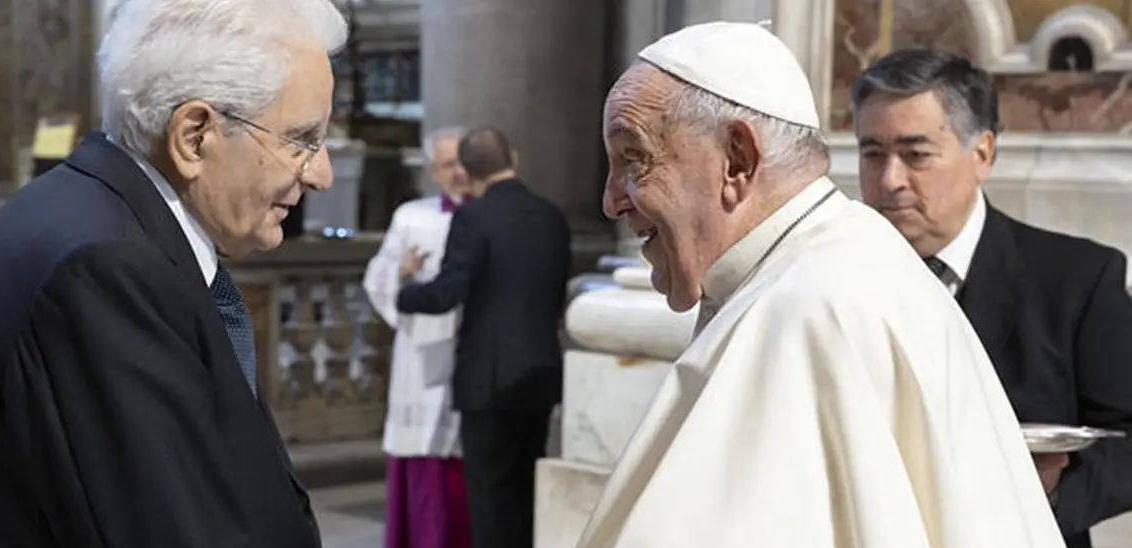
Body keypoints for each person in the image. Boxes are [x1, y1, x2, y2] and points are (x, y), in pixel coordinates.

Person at [577, 22, 1065, 548]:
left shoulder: (809, 309)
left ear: (738, 159)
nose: (611, 201)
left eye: (634, 159)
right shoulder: (839, 263)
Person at [0, 0, 346, 546]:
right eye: (301, 140)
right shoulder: (105, 271)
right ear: (194, 136)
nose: (322, 174)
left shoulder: (88, 219)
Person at [852, 48, 1132, 548]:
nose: (890, 180)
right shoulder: (827, 281)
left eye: (915, 155)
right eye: (872, 154)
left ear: (982, 153)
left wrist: (1047, 495)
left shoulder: (1077, 281)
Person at [395, 127, 571, 548]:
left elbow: (447, 293)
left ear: (468, 172)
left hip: (488, 379)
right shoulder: (552, 215)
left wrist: (405, 289)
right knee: (525, 492)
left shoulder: (473, 217)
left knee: (490, 499)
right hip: (541, 372)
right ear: (514, 158)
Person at [362, 126, 473, 548]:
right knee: (421, 455)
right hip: (419, 351)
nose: (457, 171)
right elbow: (377, 278)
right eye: (447, 164)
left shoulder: (488, 214)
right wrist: (402, 271)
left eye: (462, 161)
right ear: (433, 172)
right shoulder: (412, 216)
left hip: (468, 350)